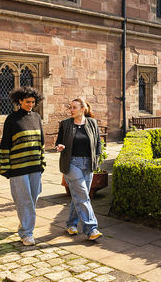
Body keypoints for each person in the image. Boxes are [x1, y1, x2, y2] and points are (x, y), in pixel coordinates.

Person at [0, 86, 46, 246]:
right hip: (18, 168)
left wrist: (42, 163)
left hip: (34, 167)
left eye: (33, 102)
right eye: (27, 102)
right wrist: (6, 168)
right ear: (19, 101)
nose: (30, 105)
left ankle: (24, 224)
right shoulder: (12, 119)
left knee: (33, 198)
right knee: (24, 200)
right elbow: (5, 145)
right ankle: (27, 233)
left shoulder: (37, 117)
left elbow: (42, 143)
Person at [56, 98, 103, 240]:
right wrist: (60, 146)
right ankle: (91, 228)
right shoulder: (65, 124)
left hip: (88, 163)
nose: (71, 110)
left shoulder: (92, 123)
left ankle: (71, 224)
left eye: (74, 107)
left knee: (81, 196)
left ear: (83, 109)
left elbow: (98, 143)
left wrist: (97, 160)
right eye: (70, 107)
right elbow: (59, 141)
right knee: (82, 195)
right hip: (72, 163)